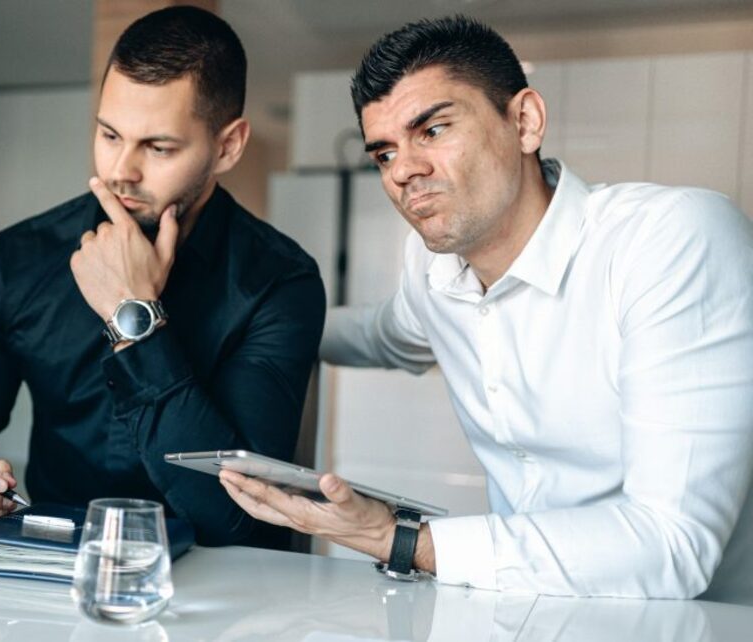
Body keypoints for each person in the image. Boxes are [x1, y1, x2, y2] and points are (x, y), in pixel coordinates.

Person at [220, 15, 753, 603]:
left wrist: (396, 538)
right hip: (520, 612)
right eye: (385, 153)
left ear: (524, 122)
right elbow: (378, 335)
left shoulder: (670, 241)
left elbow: (671, 543)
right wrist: (226, 323)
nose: (403, 171)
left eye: (433, 130)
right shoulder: (431, 269)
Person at [0, 6, 325, 550]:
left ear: (227, 146)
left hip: (230, 592)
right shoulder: (18, 260)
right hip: (56, 575)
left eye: (158, 147)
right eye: (109, 134)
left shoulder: (279, 281)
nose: (121, 169)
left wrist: (134, 314)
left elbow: (235, 515)